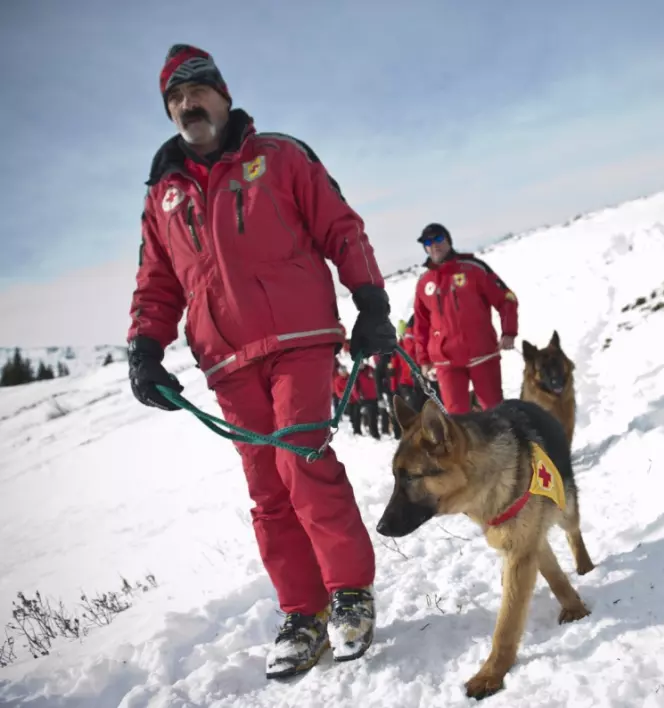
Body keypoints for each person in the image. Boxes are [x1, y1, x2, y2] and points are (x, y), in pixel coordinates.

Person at [125, 44, 397, 679]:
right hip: (225, 359)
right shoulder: (163, 194)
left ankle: (349, 593)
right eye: (175, 98)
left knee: (301, 460)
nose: (187, 104)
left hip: (298, 337)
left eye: (196, 89)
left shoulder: (278, 155)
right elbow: (156, 280)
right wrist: (144, 347)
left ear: (222, 92)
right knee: (267, 490)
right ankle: (303, 612)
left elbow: (340, 226)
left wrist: (372, 302)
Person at [412, 223, 518, 414]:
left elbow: (506, 299)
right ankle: (468, 445)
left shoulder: (474, 269)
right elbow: (420, 325)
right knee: (457, 418)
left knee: (495, 412)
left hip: (481, 353)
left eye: (438, 239)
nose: (434, 245)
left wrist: (509, 331)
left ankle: (504, 444)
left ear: (448, 241)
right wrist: (424, 360)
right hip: (446, 361)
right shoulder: (424, 283)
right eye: (428, 242)